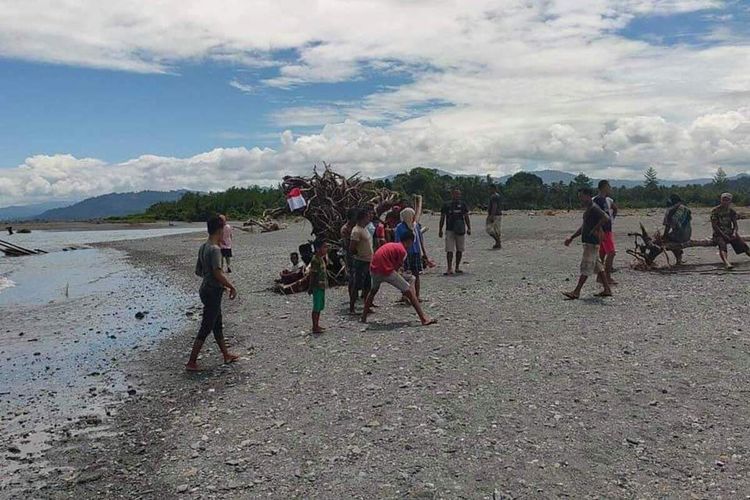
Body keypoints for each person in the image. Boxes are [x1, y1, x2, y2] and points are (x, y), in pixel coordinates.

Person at [186, 216, 239, 371]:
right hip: (212, 291)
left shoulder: (204, 246)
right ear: (219, 230)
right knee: (207, 326)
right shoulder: (215, 250)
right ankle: (191, 362)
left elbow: (198, 271)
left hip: (205, 288)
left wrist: (211, 278)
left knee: (217, 324)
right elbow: (217, 273)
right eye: (223, 229)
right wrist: (231, 286)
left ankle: (226, 354)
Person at [362, 231, 436, 326]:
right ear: (409, 241)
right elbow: (396, 269)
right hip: (386, 270)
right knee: (409, 291)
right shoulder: (402, 251)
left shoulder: (392, 245)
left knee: (372, 292)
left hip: (374, 269)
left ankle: (363, 317)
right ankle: (423, 318)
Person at [563, 187, 613, 300]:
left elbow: (606, 217)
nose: (580, 198)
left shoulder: (594, 208)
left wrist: (595, 229)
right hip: (589, 241)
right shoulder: (589, 208)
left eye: (581, 196)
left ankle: (576, 292)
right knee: (598, 266)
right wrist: (572, 237)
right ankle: (607, 289)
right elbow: (584, 226)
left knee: (586, 266)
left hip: (592, 242)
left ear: (587, 195)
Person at [395, 207, 428, 300]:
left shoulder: (416, 226)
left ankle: (417, 295)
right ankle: (405, 295)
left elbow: (420, 240)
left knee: (416, 274)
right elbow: (397, 241)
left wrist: (424, 253)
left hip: (416, 252)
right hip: (404, 253)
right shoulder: (399, 227)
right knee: (405, 275)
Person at [711, 192, 750, 269]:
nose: (725, 202)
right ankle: (726, 262)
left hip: (729, 232)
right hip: (719, 233)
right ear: (721, 200)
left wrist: (735, 232)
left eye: (727, 200)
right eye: (723, 200)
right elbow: (714, 226)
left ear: (730, 201)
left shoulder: (732, 211)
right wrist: (724, 235)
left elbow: (735, 225)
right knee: (722, 245)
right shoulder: (715, 211)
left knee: (742, 244)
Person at [439, 189, 471, 275]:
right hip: (449, 229)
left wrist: (469, 228)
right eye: (455, 194)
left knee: (460, 249)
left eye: (458, 194)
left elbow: (466, 216)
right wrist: (440, 229)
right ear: (452, 195)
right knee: (449, 249)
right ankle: (449, 268)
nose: (457, 196)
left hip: (460, 230)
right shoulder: (446, 205)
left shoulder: (463, 205)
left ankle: (457, 267)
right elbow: (442, 217)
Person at [593, 180, 618, 284]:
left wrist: (611, 220)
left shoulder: (602, 199)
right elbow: (598, 216)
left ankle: (600, 277)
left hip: (605, 229)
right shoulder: (599, 200)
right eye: (609, 186)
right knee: (611, 253)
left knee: (602, 254)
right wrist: (601, 229)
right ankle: (607, 277)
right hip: (604, 230)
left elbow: (614, 209)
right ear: (604, 187)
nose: (610, 188)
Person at [349, 208, 373, 314]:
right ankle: (352, 308)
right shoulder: (356, 230)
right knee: (357, 285)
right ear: (363, 217)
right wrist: (359, 254)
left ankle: (366, 306)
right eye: (368, 216)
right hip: (361, 261)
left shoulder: (365, 228)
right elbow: (352, 247)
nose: (370, 217)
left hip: (368, 260)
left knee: (368, 285)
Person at [662, 194, 692, 265]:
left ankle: (678, 257)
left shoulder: (669, 211)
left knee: (667, 239)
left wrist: (664, 237)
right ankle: (679, 258)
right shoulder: (686, 209)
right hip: (688, 235)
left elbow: (667, 227)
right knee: (672, 236)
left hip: (679, 236)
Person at [309, 239, 328, 334]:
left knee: (320, 306)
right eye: (324, 247)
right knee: (316, 307)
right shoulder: (315, 260)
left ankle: (317, 324)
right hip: (317, 286)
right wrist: (310, 287)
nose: (326, 249)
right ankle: (314, 326)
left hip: (322, 286)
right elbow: (312, 275)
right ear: (317, 248)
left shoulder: (321, 258)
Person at [486, 185, 502, 249]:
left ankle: (498, 242)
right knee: (496, 230)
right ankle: (498, 243)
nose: (489, 190)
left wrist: (491, 216)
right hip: (498, 214)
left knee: (489, 229)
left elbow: (494, 206)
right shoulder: (497, 196)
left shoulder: (494, 196)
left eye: (490, 189)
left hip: (495, 215)